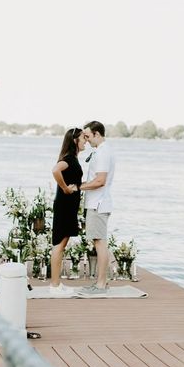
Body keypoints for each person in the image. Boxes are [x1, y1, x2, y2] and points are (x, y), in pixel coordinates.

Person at [77, 120, 115, 297]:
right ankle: (101, 283)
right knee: (99, 242)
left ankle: (101, 284)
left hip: (98, 204)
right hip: (96, 203)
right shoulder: (100, 151)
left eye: (88, 136)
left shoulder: (103, 153)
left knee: (100, 243)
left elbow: (100, 181)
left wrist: (78, 187)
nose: (86, 139)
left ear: (97, 134)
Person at [49, 127, 85, 296]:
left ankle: (57, 284)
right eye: (83, 138)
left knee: (61, 245)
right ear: (75, 141)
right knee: (59, 245)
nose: (85, 141)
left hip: (69, 207)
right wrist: (65, 188)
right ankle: (54, 286)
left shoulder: (74, 159)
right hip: (64, 206)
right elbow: (55, 170)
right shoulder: (69, 158)